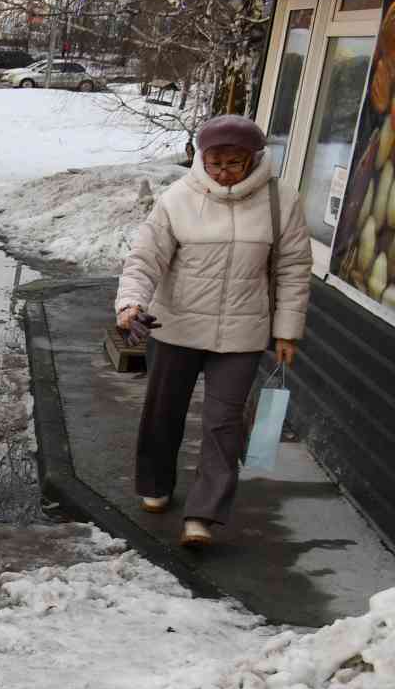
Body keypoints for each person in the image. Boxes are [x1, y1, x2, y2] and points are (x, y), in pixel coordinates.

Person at [115, 114, 312, 547]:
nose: (224, 172)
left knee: (223, 424)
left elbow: (293, 269)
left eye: (234, 163)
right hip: (177, 326)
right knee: (163, 413)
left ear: (254, 158)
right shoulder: (177, 199)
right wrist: (131, 304)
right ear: (201, 158)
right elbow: (145, 259)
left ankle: (203, 515)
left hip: (243, 334)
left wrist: (287, 332)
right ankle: (156, 483)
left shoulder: (282, 200)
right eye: (215, 162)